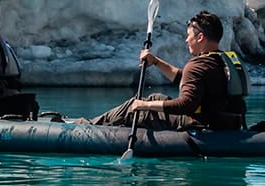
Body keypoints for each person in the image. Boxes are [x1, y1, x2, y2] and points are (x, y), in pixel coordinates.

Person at [91, 10, 248, 131]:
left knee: (135, 105)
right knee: (155, 97)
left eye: (189, 36)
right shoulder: (221, 60)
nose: (187, 40)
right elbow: (185, 79)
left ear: (200, 37)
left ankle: (88, 127)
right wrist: (156, 62)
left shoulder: (198, 65)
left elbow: (185, 105)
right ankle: (94, 123)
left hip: (200, 124)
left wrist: (144, 106)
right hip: (227, 122)